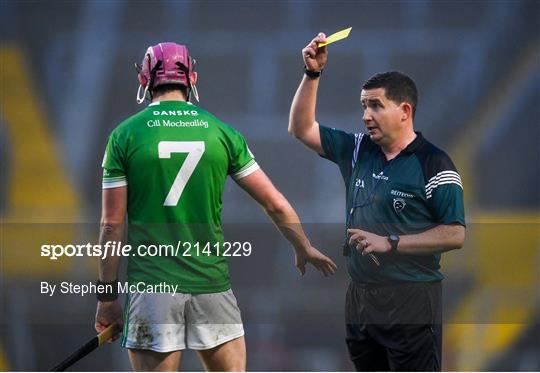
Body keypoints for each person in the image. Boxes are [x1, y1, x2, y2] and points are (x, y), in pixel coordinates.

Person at [94, 42, 337, 372]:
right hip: (211, 286)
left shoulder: (124, 136)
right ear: (191, 78)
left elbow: (111, 225)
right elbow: (276, 203)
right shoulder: (222, 133)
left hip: (153, 290)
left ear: (144, 80)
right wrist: (303, 245)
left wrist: (107, 299)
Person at [289, 33, 465, 371]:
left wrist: (391, 243)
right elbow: (300, 128)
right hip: (361, 298)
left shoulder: (434, 164)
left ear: (405, 111)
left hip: (412, 299)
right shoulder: (358, 150)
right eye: (363, 106)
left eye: (375, 105)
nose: (366, 115)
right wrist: (312, 75)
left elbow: (455, 234)